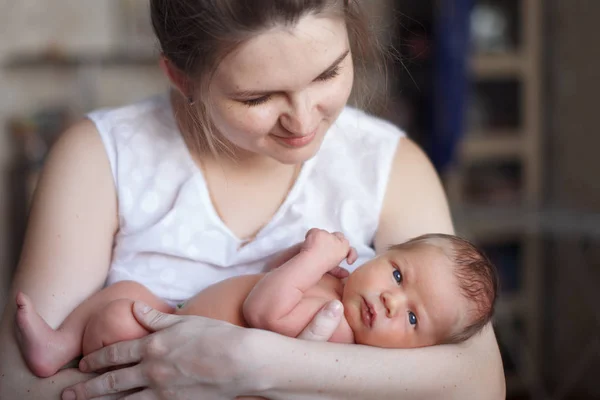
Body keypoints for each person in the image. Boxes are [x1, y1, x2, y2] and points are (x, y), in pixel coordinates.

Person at [0, 1, 506, 399]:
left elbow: (476, 382)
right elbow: (18, 385)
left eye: (327, 73)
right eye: (257, 98)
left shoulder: (390, 166)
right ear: (181, 75)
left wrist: (255, 366)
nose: (305, 122)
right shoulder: (99, 157)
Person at [15, 228, 499, 378]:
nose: (391, 301)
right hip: (174, 309)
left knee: (121, 315)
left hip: (162, 342)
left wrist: (313, 256)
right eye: (397, 275)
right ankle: (58, 345)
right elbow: (270, 278)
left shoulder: (338, 332)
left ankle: (73, 355)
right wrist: (301, 259)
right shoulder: (339, 284)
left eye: (413, 317)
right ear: (384, 255)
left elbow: (264, 311)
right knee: (125, 292)